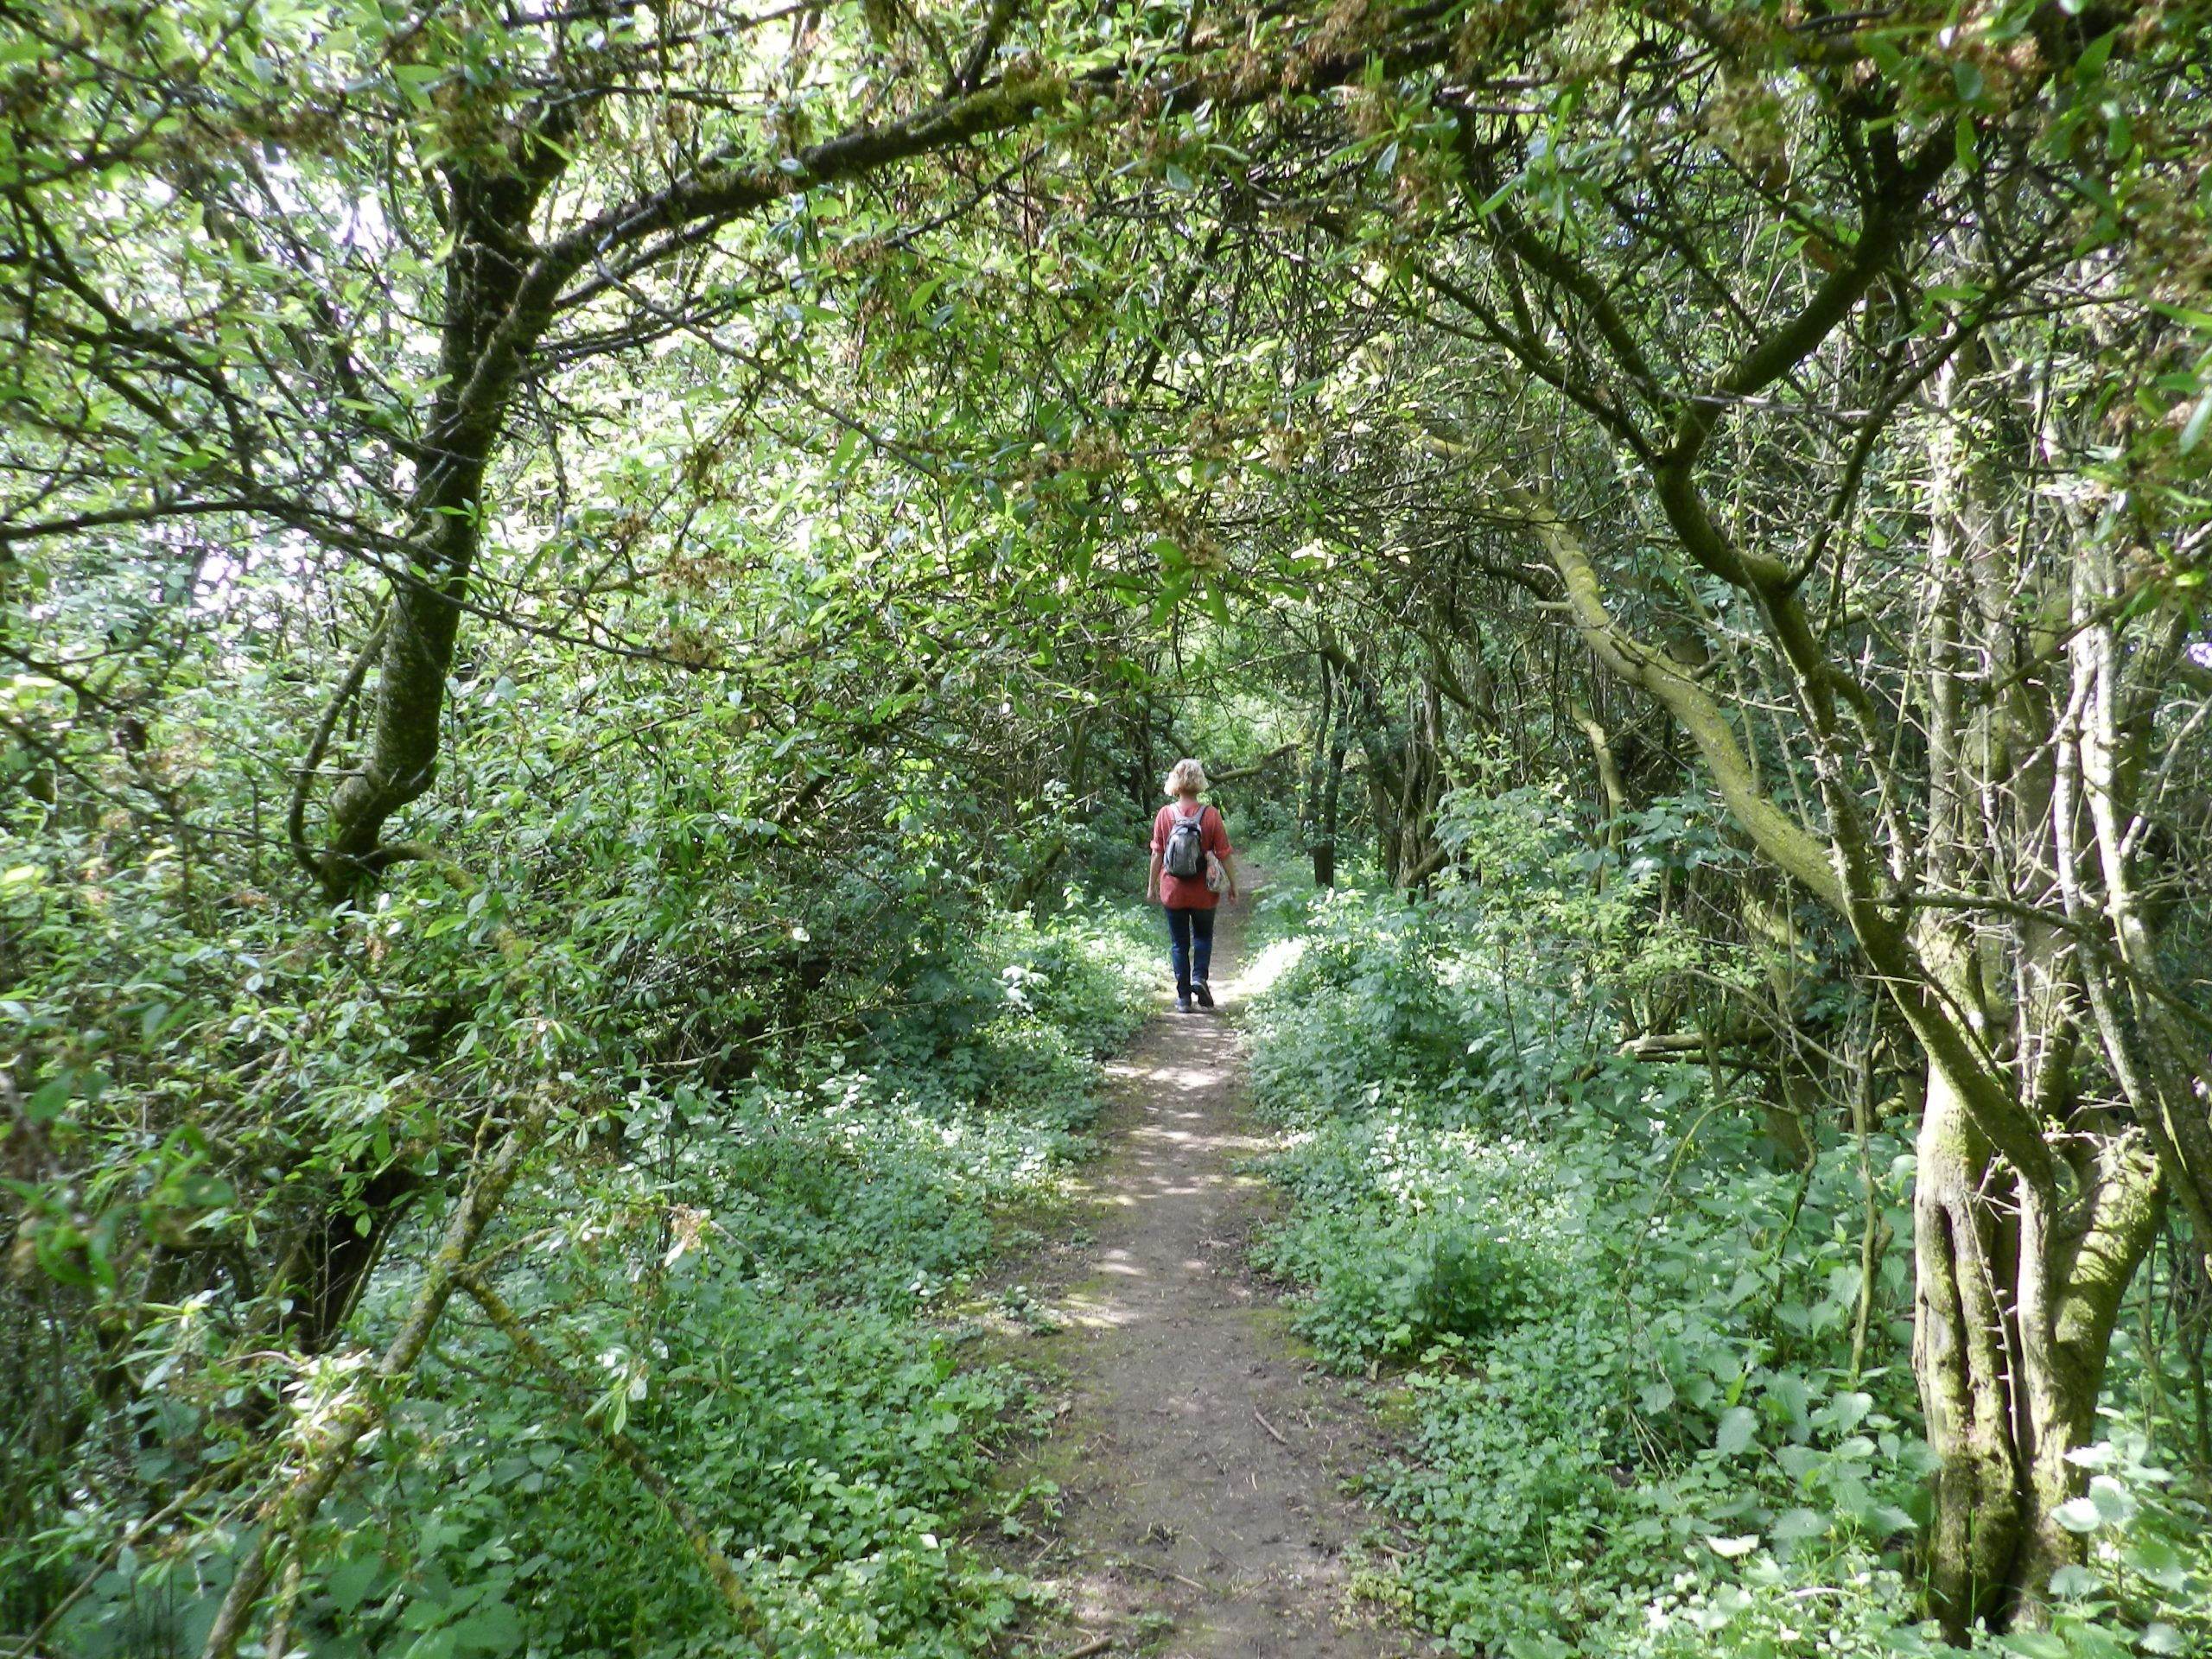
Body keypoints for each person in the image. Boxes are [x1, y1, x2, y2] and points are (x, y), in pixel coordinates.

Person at [1146, 758, 1238, 1013]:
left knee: (1179, 943)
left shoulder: (1165, 814)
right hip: (1203, 892)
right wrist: (1232, 884)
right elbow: (1225, 853)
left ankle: (1183, 998)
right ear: (1199, 783)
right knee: (1203, 936)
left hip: (1173, 891)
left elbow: (1157, 853)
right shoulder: (1211, 815)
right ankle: (1199, 977)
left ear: (1175, 782)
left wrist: (1152, 886)